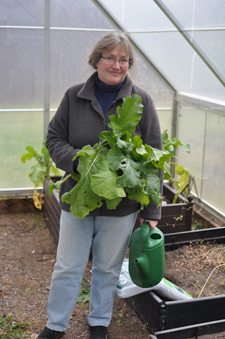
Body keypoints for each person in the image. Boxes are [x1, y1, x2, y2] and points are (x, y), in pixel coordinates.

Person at [37, 31, 163, 339]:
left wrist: (153, 209)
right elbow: (54, 139)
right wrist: (78, 161)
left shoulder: (142, 101)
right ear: (97, 60)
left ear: (129, 64)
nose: (117, 65)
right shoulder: (73, 96)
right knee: (68, 267)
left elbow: (154, 156)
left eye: (124, 60)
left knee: (108, 268)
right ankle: (55, 326)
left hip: (122, 206)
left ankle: (99, 322)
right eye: (110, 58)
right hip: (78, 200)